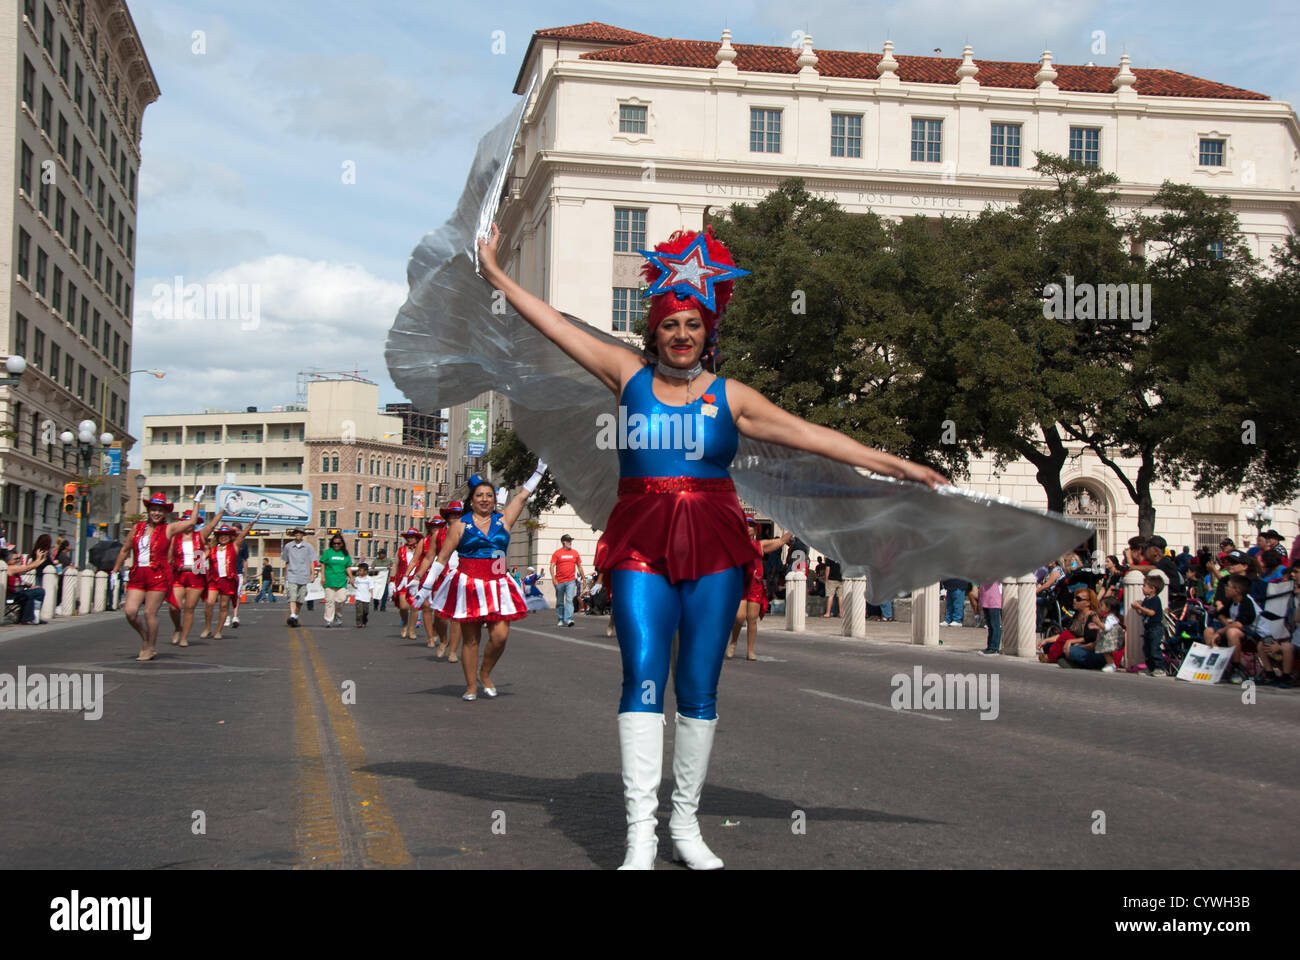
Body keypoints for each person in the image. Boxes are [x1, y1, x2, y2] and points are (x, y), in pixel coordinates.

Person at [476, 221, 945, 870]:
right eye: (670, 323)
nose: (681, 334)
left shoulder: (734, 397)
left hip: (716, 544)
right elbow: (552, 324)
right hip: (641, 539)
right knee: (641, 673)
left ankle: (685, 826)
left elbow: (811, 435)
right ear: (655, 330)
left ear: (708, 331)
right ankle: (640, 835)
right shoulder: (625, 376)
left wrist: (894, 465)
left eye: (693, 324)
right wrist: (496, 272)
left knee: (698, 685)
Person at [412, 469, 542, 700]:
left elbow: (522, 496)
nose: (484, 499)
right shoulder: (460, 526)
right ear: (471, 500)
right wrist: (424, 588)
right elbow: (442, 558)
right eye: (479, 495)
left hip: (499, 584)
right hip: (469, 585)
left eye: (489, 495)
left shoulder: (504, 519)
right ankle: (471, 686)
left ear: (495, 500)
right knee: (471, 639)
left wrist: (540, 470)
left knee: (500, 636)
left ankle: (485, 672)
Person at [111, 493, 204, 661]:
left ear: (165, 513)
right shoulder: (137, 528)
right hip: (138, 574)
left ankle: (151, 648)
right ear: (148, 510)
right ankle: (146, 637)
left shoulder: (169, 529)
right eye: (153, 509)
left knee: (149, 613)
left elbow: (191, 522)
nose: (156, 513)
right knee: (130, 612)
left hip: (158, 575)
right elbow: (125, 549)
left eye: (160, 511)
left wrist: (196, 501)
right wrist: (115, 569)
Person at [727, 521, 790, 659]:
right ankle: (733, 642)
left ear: (756, 530)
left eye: (752, 526)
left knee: (752, 619)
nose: (749, 528)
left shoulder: (759, 545)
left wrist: (794, 526)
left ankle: (750, 650)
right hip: (740, 586)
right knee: (739, 617)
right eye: (746, 525)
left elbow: (781, 541)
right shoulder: (735, 543)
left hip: (755, 585)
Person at [168, 505, 224, 647]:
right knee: (174, 606)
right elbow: (168, 557)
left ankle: (184, 637)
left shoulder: (200, 536)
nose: (188, 525)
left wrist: (222, 510)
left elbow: (212, 525)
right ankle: (177, 628)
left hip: (196, 575)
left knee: (189, 607)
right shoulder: (175, 537)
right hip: (179, 574)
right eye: (186, 521)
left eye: (191, 522)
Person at [204, 519, 258, 640]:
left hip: (228, 580)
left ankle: (218, 631)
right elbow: (200, 558)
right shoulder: (212, 548)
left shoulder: (234, 547)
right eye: (220, 535)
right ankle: (207, 628)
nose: (223, 537)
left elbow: (243, 535)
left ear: (230, 536)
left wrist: (251, 524)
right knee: (209, 603)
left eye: (226, 535)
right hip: (214, 580)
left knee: (224, 606)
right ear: (217, 537)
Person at [1130, 575, 1167, 677]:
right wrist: (1137, 608)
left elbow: (1151, 613)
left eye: (1145, 586)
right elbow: (1142, 613)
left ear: (1152, 589)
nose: (1142, 588)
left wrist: (1140, 607)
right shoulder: (1146, 600)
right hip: (1148, 628)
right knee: (1147, 649)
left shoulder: (1155, 599)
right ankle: (1150, 667)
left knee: (1154, 648)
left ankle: (1160, 668)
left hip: (1155, 628)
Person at [282, 528, 318, 627]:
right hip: (292, 575)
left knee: (301, 599)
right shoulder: (288, 546)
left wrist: (312, 574)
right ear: (294, 534)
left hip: (304, 575)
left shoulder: (308, 547)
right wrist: (285, 576)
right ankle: (293, 614)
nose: (298, 534)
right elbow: (286, 561)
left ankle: (295, 616)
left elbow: (312, 561)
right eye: (296, 533)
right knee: (292, 596)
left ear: (303, 535)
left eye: (300, 533)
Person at [4, 546, 49, 624]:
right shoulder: (10, 568)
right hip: (11, 595)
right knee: (28, 595)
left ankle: (35, 617)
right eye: (15, 559)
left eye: (18, 558)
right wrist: (39, 559)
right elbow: (27, 568)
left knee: (40, 591)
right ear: (9, 560)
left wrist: (30, 586)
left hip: (18, 592)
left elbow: (19, 582)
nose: (18, 560)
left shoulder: (15, 569)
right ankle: (27, 618)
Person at [320, 533, 354, 627]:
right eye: (334, 543)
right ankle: (328, 620)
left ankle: (338, 615)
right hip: (329, 580)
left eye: (338, 543)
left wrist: (351, 577)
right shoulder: (328, 552)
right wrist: (322, 577)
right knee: (329, 601)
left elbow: (347, 567)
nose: (336, 545)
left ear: (342, 544)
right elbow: (322, 564)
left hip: (341, 581)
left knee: (341, 600)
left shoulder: (345, 554)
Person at [550, 534, 584, 628]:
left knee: (569, 600)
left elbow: (579, 566)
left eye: (571, 541)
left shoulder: (575, 553)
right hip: (559, 581)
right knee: (560, 601)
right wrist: (553, 578)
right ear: (563, 542)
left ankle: (568, 619)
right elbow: (552, 566)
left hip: (571, 581)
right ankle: (561, 619)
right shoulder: (557, 553)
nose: (570, 543)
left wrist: (583, 578)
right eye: (568, 541)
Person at [976, 580, 1003, 655]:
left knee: (995, 625)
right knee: (990, 625)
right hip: (985, 600)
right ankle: (990, 646)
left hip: (993, 601)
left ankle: (994, 647)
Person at [371, 548, 392, 613]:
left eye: (381, 554)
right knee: (376, 593)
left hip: (385, 581)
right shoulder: (376, 560)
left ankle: (383, 606)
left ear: (384, 554)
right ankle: (376, 605)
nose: (379, 555)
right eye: (379, 554)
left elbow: (393, 567)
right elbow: (372, 567)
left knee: (385, 594)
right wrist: (373, 566)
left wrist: (389, 567)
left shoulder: (389, 561)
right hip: (377, 580)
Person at [353, 562, 372, 627]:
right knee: (359, 611)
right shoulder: (357, 578)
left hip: (366, 598)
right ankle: (359, 623)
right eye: (359, 570)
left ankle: (364, 620)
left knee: (365, 611)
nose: (359, 572)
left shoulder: (369, 579)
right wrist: (352, 583)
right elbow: (355, 586)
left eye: (361, 570)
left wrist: (371, 595)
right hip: (359, 597)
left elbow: (371, 588)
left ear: (366, 571)